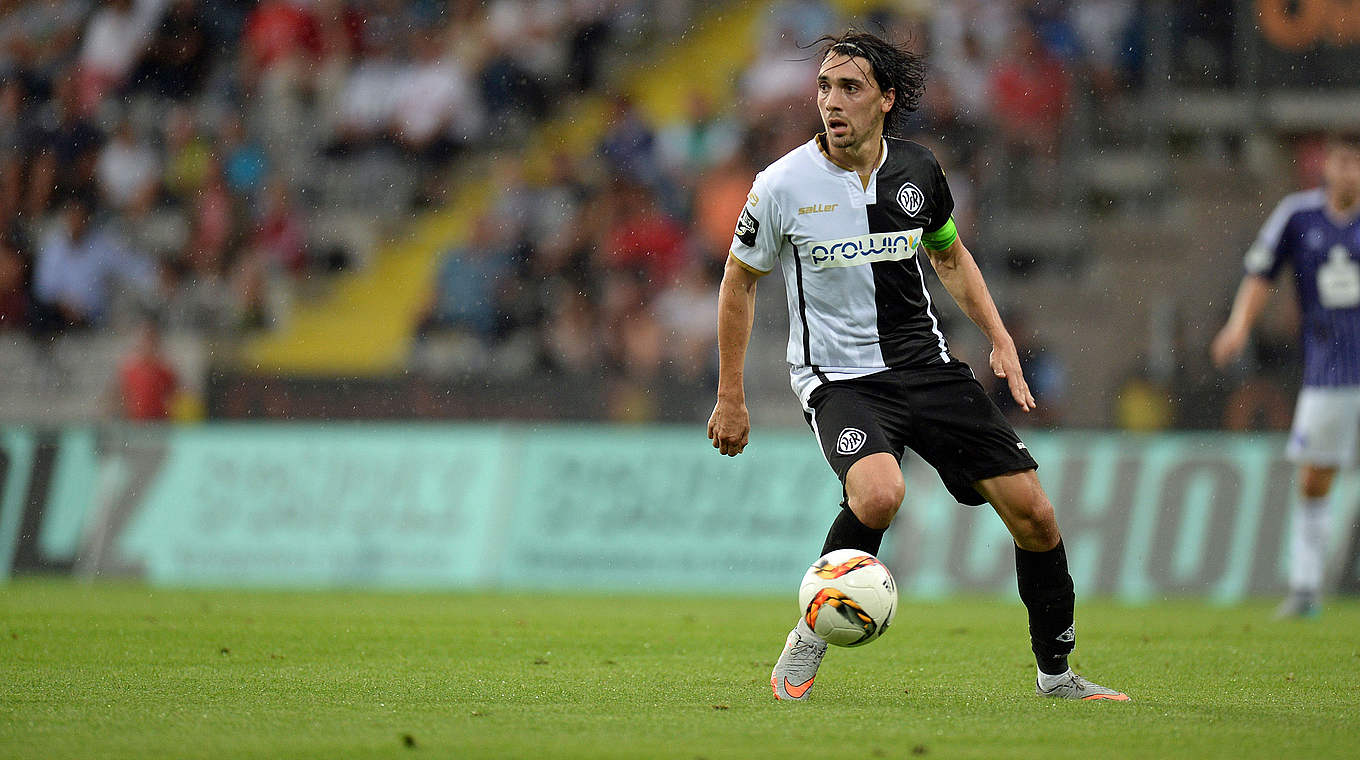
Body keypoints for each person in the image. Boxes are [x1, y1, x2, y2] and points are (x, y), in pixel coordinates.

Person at [705, 31, 1128, 702]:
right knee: (878, 494)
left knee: (1037, 518)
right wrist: (731, 396)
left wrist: (998, 337)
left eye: (850, 88)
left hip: (925, 367)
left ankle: (1057, 676)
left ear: (886, 100)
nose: (832, 102)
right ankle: (809, 635)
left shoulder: (918, 172)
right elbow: (739, 281)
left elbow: (950, 256)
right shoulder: (781, 185)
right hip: (840, 378)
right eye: (824, 87)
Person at [1211, 131, 1360, 618]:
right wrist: (1238, 325)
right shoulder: (1298, 216)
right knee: (1315, 477)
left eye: (1357, 163)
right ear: (1327, 166)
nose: (1350, 171)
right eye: (1343, 161)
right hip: (1328, 375)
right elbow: (1261, 274)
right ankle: (1306, 588)